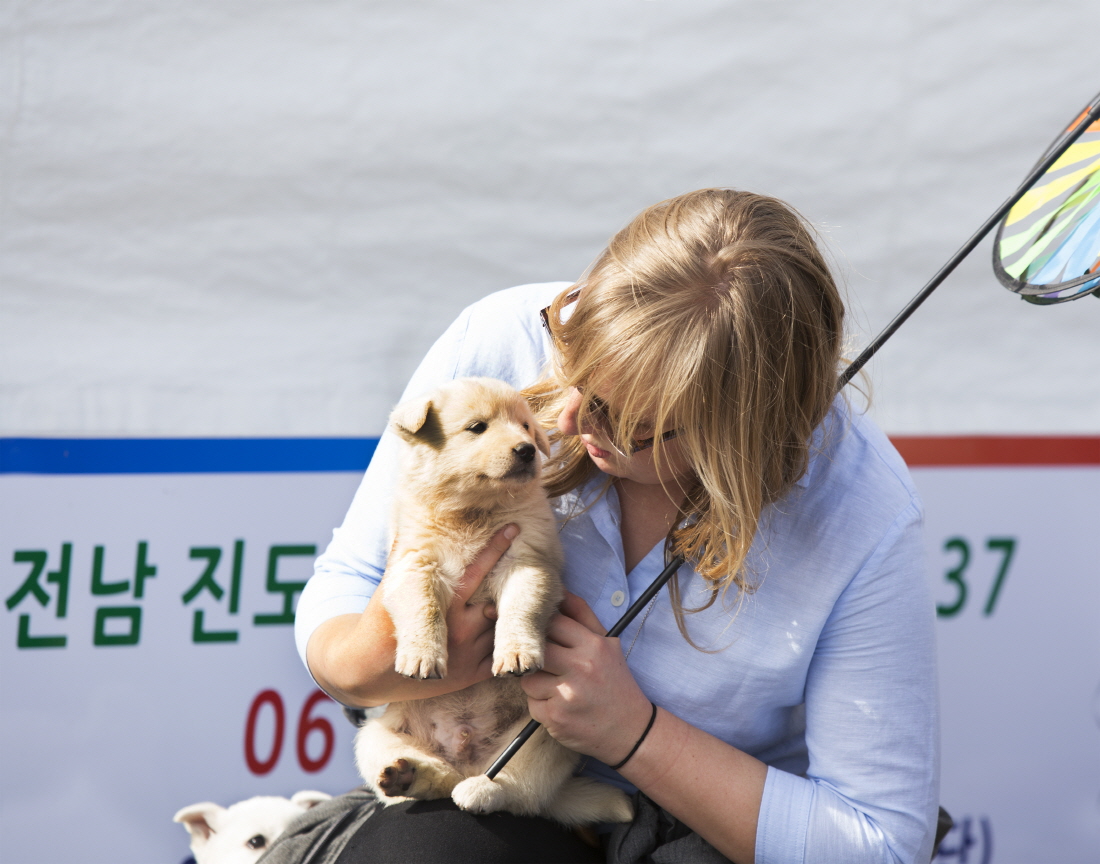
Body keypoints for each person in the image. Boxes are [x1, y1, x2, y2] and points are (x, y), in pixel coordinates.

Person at [295, 189, 940, 863]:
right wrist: (385, 655)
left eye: (627, 419)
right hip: (478, 793)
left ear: (739, 437)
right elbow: (343, 592)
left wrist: (636, 736)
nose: (565, 421)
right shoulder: (502, 339)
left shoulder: (861, 508)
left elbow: (881, 845)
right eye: (574, 362)